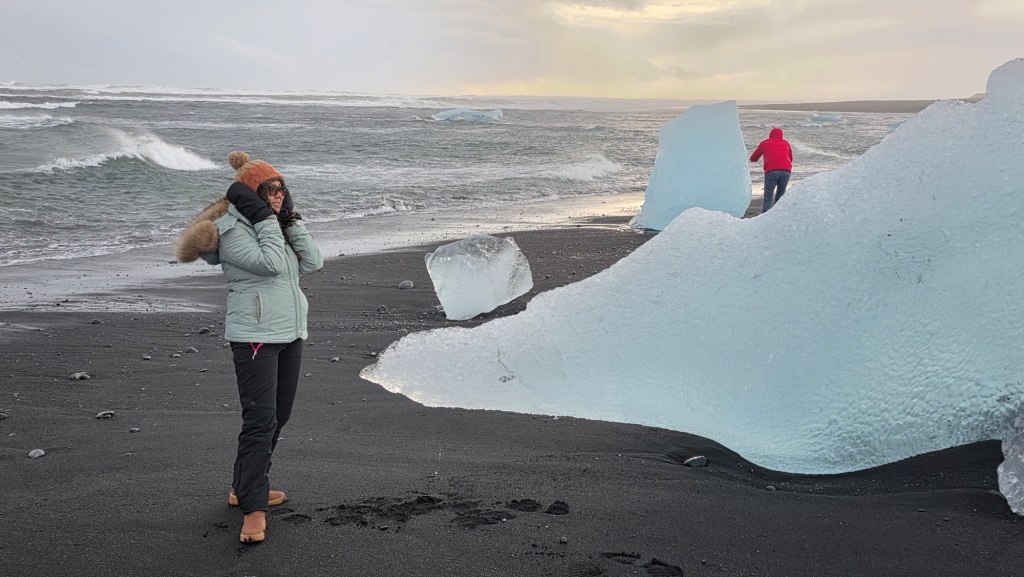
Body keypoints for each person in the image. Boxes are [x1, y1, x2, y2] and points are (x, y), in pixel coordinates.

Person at [176, 151, 324, 543]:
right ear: (250, 196)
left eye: (281, 189)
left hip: (290, 332)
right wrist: (264, 219)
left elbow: (312, 262)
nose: (277, 196)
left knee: (280, 416)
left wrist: (290, 220)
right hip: (255, 335)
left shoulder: (275, 223)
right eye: (268, 190)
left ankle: (244, 487)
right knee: (260, 420)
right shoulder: (230, 230)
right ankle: (253, 510)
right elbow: (273, 264)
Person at [749, 127, 793, 213]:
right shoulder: (786, 143)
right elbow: (790, 159)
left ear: (770, 135)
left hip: (771, 171)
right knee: (780, 197)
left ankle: (766, 219)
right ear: (781, 136)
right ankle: (779, 216)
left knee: (768, 198)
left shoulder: (765, 143)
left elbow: (753, 158)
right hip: (786, 171)